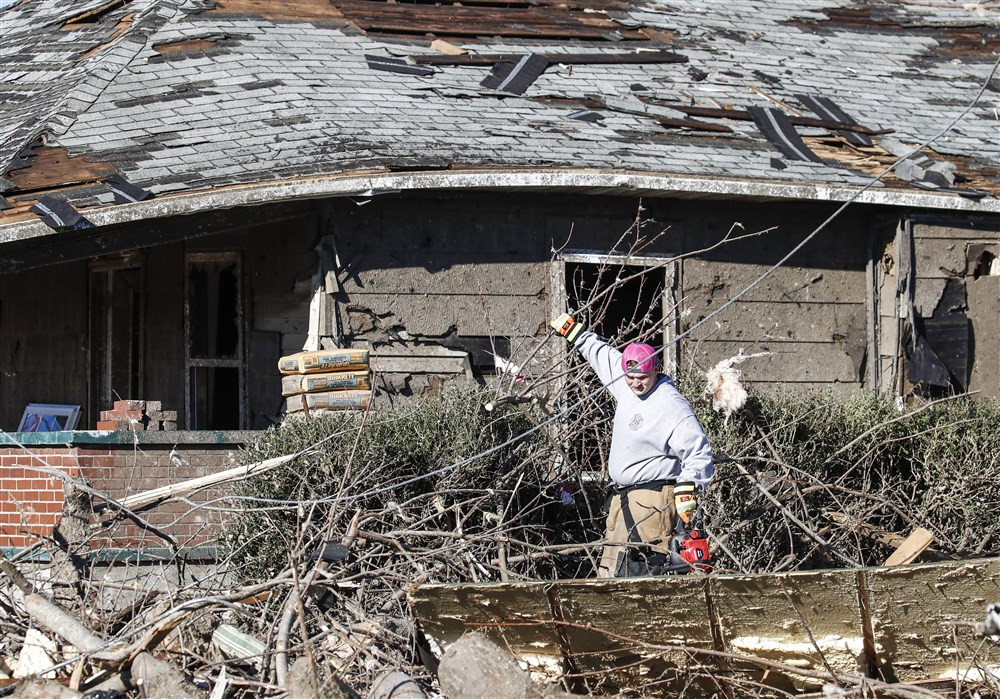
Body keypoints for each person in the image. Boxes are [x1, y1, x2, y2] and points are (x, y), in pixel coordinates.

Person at [550, 313, 714, 578]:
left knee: (639, 572)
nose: (636, 383)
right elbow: (600, 353)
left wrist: (688, 488)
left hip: (652, 500)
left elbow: (699, 451)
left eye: (643, 378)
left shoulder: (670, 403)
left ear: (655, 369)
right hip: (622, 499)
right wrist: (574, 332)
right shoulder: (627, 382)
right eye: (631, 377)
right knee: (611, 573)